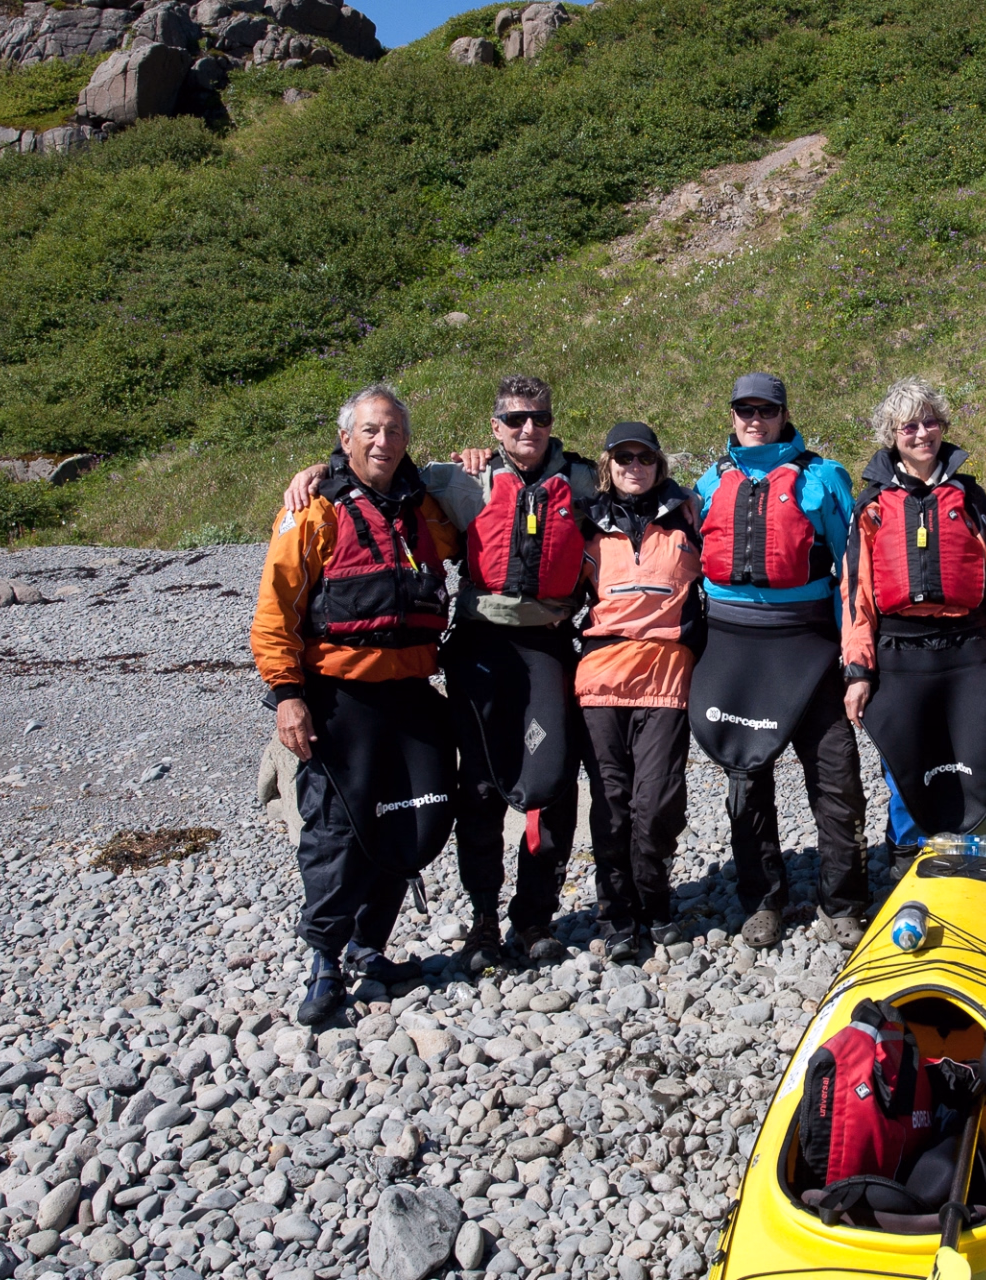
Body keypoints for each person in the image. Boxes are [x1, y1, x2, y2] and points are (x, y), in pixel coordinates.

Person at [283, 375, 598, 971]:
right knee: (478, 787)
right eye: (513, 420)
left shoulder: (583, 481)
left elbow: (644, 479)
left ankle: (533, 919)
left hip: (549, 644)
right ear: (494, 426)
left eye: (538, 418)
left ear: (552, 422)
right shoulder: (458, 479)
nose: (526, 429)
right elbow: (375, 471)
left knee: (551, 783)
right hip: (480, 646)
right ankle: (482, 923)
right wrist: (315, 474)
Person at [251, 384, 460, 1026]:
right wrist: (288, 697)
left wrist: (475, 463)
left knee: (410, 820)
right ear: (346, 439)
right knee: (337, 834)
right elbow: (273, 613)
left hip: (411, 691)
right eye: (370, 431)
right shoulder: (314, 509)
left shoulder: (423, 506)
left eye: (394, 431)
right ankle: (324, 961)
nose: (383, 442)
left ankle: (372, 951)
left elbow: (470, 534)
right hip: (339, 696)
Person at [839, 377, 986, 873]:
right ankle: (906, 858)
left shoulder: (971, 500)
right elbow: (856, 596)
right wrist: (857, 671)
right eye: (909, 425)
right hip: (901, 657)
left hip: (968, 652)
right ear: (892, 434)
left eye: (930, 422)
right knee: (903, 762)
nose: (922, 433)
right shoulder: (870, 508)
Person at [688, 373, 866, 948]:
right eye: (745, 410)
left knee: (836, 776)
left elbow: (853, 573)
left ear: (784, 413)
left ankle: (842, 901)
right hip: (734, 648)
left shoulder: (822, 477)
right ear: (733, 415)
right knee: (746, 780)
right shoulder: (710, 482)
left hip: (806, 646)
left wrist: (854, 654)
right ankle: (762, 899)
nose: (754, 419)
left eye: (766, 409)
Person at [575, 422, 705, 962]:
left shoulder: (689, 517)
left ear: (659, 464)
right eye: (623, 457)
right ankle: (617, 913)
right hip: (601, 678)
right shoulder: (584, 523)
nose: (634, 466)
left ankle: (655, 899)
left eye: (644, 457)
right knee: (610, 802)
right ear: (607, 465)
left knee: (655, 801)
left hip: (666, 676)